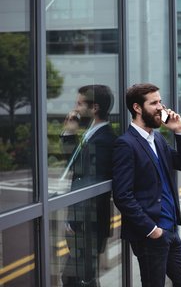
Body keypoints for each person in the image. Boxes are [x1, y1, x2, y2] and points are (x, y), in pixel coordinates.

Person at [112, 83, 181, 287]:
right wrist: (152, 230)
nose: (161, 107)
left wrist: (180, 131)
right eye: (154, 103)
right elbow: (122, 195)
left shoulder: (157, 139)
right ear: (137, 108)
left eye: (160, 101)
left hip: (170, 230)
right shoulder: (126, 144)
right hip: (151, 234)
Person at [61, 84, 116, 287]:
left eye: (79, 103)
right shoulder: (93, 132)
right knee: (82, 277)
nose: (75, 108)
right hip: (85, 221)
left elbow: (91, 185)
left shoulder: (104, 140)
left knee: (76, 278)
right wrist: (69, 132)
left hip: (88, 223)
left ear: (94, 108)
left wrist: (75, 221)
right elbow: (75, 164)